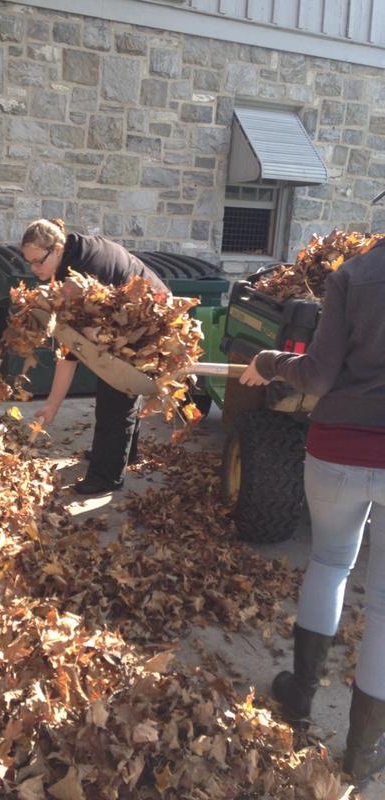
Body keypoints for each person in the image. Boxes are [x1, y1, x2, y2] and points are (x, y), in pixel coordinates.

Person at [239, 240, 385, 786]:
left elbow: (319, 377)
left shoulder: (357, 273)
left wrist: (268, 361)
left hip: (338, 450)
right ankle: (361, 752)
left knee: (329, 563)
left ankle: (300, 692)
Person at [20, 218, 169, 495]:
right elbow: (73, 345)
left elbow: (70, 351)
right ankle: (123, 455)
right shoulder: (73, 260)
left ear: (58, 247)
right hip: (132, 317)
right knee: (121, 386)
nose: (33, 268)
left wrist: (52, 405)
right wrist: (52, 405)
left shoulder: (85, 275)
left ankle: (106, 477)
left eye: (38, 261)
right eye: (29, 262)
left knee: (116, 387)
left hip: (151, 320)